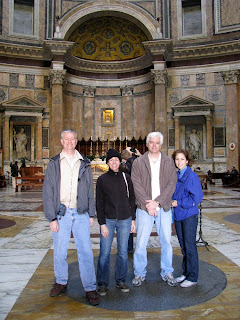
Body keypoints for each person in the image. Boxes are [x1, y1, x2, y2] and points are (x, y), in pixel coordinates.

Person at [42, 129, 100, 306]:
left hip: (81, 212)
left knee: (85, 252)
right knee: (60, 251)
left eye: (72, 139)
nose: (69, 142)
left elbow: (90, 189)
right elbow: (48, 190)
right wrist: (51, 218)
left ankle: (90, 287)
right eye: (66, 139)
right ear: (61, 141)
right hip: (62, 212)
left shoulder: (84, 162)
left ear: (76, 141)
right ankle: (60, 281)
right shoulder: (54, 163)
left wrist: (91, 213)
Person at [131, 132, 178, 287]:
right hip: (144, 209)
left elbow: (172, 183)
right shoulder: (139, 162)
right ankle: (139, 273)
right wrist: (148, 205)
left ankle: (167, 271)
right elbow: (136, 185)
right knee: (141, 243)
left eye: (157, 143)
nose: (154, 145)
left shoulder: (168, 161)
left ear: (161, 144)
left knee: (166, 241)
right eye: (151, 142)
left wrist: (157, 203)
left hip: (163, 207)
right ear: (147, 144)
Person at [96, 149, 136, 296]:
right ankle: (102, 283)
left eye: (116, 160)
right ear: (107, 162)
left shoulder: (126, 178)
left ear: (120, 162)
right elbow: (99, 203)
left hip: (125, 219)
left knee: (123, 253)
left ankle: (120, 280)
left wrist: (133, 219)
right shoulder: (101, 180)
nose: (114, 162)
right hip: (108, 220)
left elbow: (132, 199)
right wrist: (102, 224)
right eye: (111, 160)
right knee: (104, 253)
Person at [171, 149, 203, 288]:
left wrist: (179, 203)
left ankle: (193, 276)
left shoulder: (192, 176)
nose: (179, 162)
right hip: (178, 215)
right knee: (183, 246)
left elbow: (197, 198)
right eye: (177, 159)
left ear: (187, 161)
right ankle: (186, 272)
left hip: (189, 215)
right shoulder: (177, 175)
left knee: (190, 246)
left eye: (182, 159)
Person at [120, 147, 141, 253]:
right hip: (139, 195)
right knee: (138, 221)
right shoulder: (138, 162)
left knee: (127, 220)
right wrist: (139, 154)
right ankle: (139, 247)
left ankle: (128, 247)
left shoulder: (125, 165)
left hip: (128, 195)